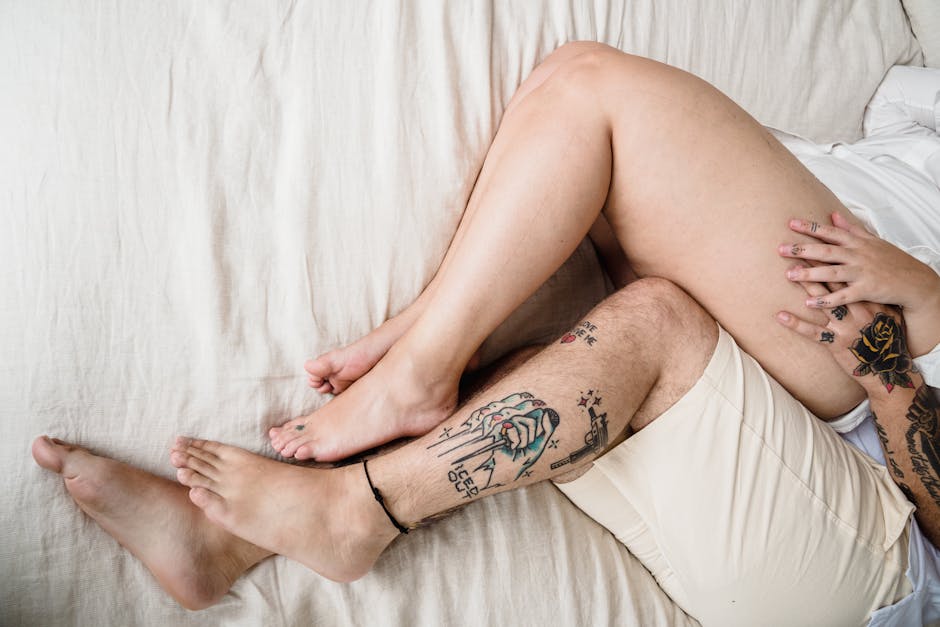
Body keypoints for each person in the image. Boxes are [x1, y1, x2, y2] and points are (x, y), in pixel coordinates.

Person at [32, 43, 940, 624]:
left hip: (895, 570)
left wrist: (894, 370)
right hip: (877, 378)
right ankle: (403, 370)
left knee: (646, 328)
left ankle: (357, 511)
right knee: (580, 93)